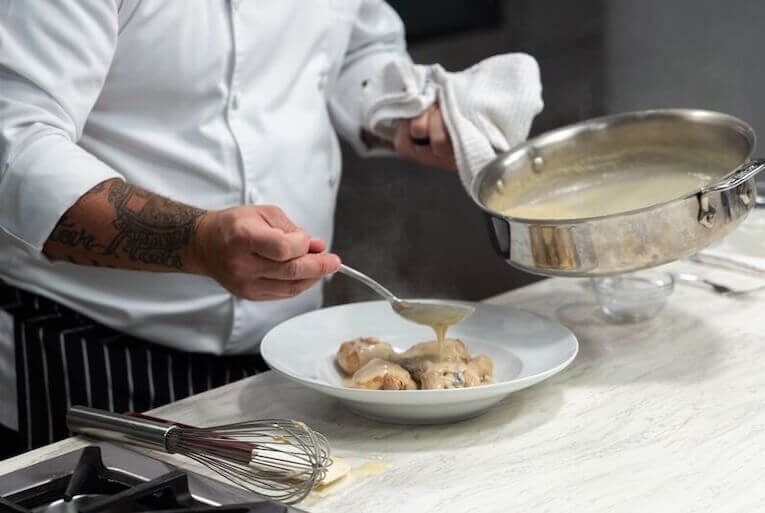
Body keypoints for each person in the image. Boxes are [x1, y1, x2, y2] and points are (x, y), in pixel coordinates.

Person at [0, 1, 460, 457]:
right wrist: (193, 241)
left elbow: (356, 48)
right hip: (93, 351)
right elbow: (17, 145)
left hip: (287, 352)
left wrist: (405, 115)